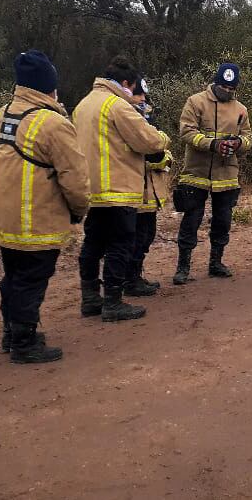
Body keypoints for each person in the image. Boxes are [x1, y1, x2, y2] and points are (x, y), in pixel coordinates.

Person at [0, 50, 90, 363]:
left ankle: (11, 333)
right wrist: (78, 210)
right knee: (31, 279)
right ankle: (24, 343)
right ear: (49, 85)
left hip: (4, 218)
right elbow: (74, 177)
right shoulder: (54, 124)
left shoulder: (2, 114)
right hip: (36, 218)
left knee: (14, 276)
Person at [73, 57, 171, 322]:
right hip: (118, 188)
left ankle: (90, 298)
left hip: (92, 189)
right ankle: (113, 302)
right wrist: (163, 137)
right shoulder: (117, 105)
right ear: (126, 83)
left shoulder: (83, 105)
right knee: (120, 244)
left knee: (93, 244)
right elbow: (150, 140)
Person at [173, 63, 252, 284]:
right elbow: (186, 132)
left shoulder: (241, 109)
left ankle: (216, 262)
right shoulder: (195, 102)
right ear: (215, 83)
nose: (226, 91)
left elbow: (248, 137)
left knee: (223, 220)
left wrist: (238, 143)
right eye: (223, 87)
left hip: (226, 174)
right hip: (196, 173)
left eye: (231, 88)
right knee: (191, 220)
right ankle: (183, 267)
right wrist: (213, 144)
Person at [125, 77, 172, 297]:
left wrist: (164, 159)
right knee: (133, 237)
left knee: (146, 234)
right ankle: (128, 280)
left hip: (151, 189)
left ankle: (135, 276)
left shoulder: (148, 116)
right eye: (138, 94)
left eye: (144, 94)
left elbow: (161, 147)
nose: (142, 99)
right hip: (133, 189)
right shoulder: (125, 117)